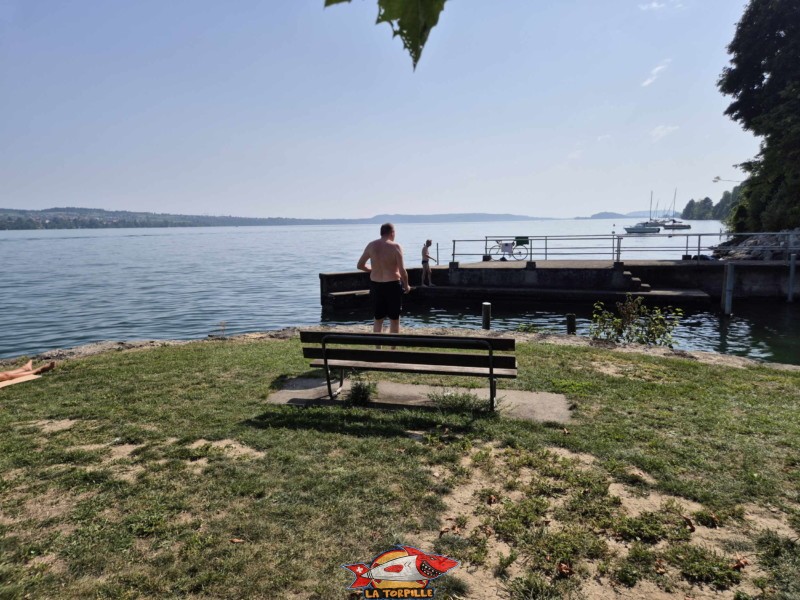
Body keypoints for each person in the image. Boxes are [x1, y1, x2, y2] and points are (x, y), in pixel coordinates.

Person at [357, 223, 411, 333]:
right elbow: (402, 271)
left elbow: (360, 265)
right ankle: (393, 349)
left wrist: (372, 269)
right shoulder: (396, 247)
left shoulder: (371, 245)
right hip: (393, 285)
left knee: (378, 319)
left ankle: (378, 348)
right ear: (392, 233)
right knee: (394, 320)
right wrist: (406, 285)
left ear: (381, 232)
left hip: (376, 285)